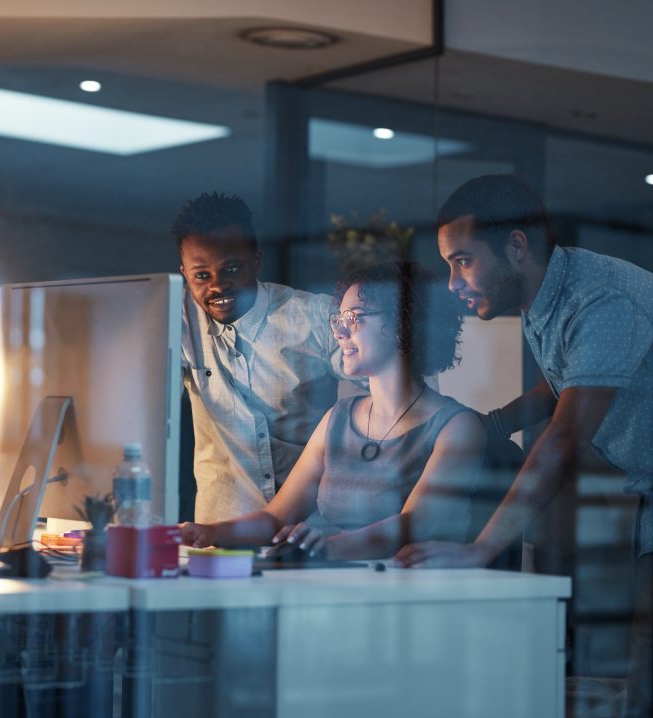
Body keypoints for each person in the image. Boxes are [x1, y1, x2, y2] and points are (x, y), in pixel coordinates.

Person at [394, 174, 651, 718]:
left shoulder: (598, 299)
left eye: (462, 261)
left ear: (516, 245)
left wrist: (480, 548)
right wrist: (483, 425)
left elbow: (562, 439)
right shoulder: (549, 296)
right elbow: (563, 386)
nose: (451, 282)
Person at [180, 262, 486, 560]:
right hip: (339, 583)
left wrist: (328, 548)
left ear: (402, 323)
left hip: (410, 595)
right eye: (338, 319)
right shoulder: (338, 418)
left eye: (354, 318)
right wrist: (210, 532)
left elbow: (413, 525)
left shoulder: (457, 427)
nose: (339, 332)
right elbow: (276, 517)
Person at [174, 192, 346, 523]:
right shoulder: (177, 320)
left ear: (256, 261)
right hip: (219, 532)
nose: (217, 286)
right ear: (184, 273)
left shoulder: (315, 317)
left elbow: (391, 403)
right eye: (201, 275)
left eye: (231, 269)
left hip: (310, 530)